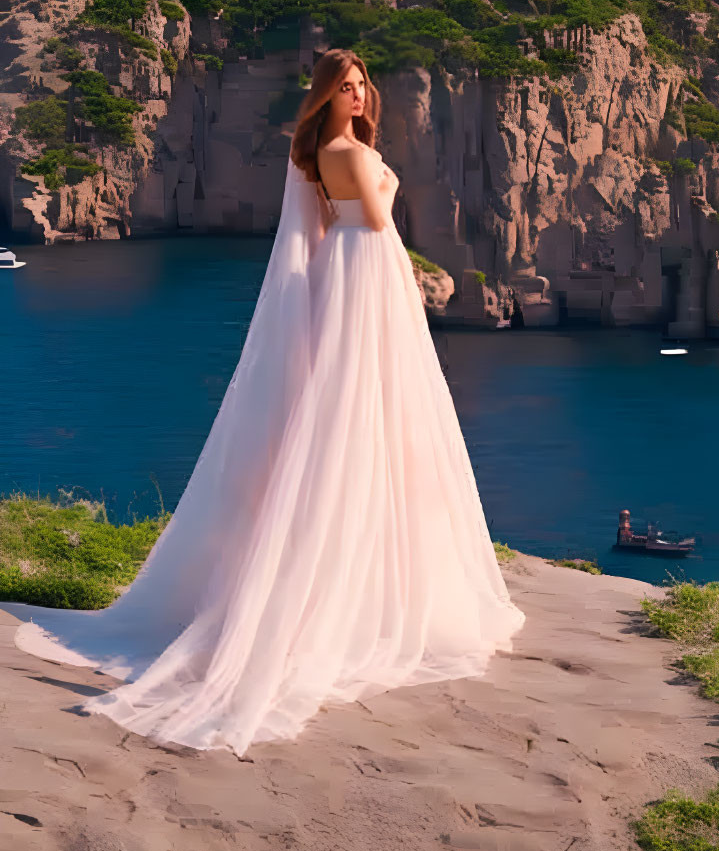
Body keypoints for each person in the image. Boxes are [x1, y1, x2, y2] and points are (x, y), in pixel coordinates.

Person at [2, 48, 523, 755]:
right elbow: (372, 218)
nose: (360, 94)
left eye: (363, 83)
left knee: (369, 409)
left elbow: (320, 228)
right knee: (373, 408)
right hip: (366, 270)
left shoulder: (316, 149)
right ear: (327, 96)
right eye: (346, 87)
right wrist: (386, 174)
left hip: (353, 278)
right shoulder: (344, 149)